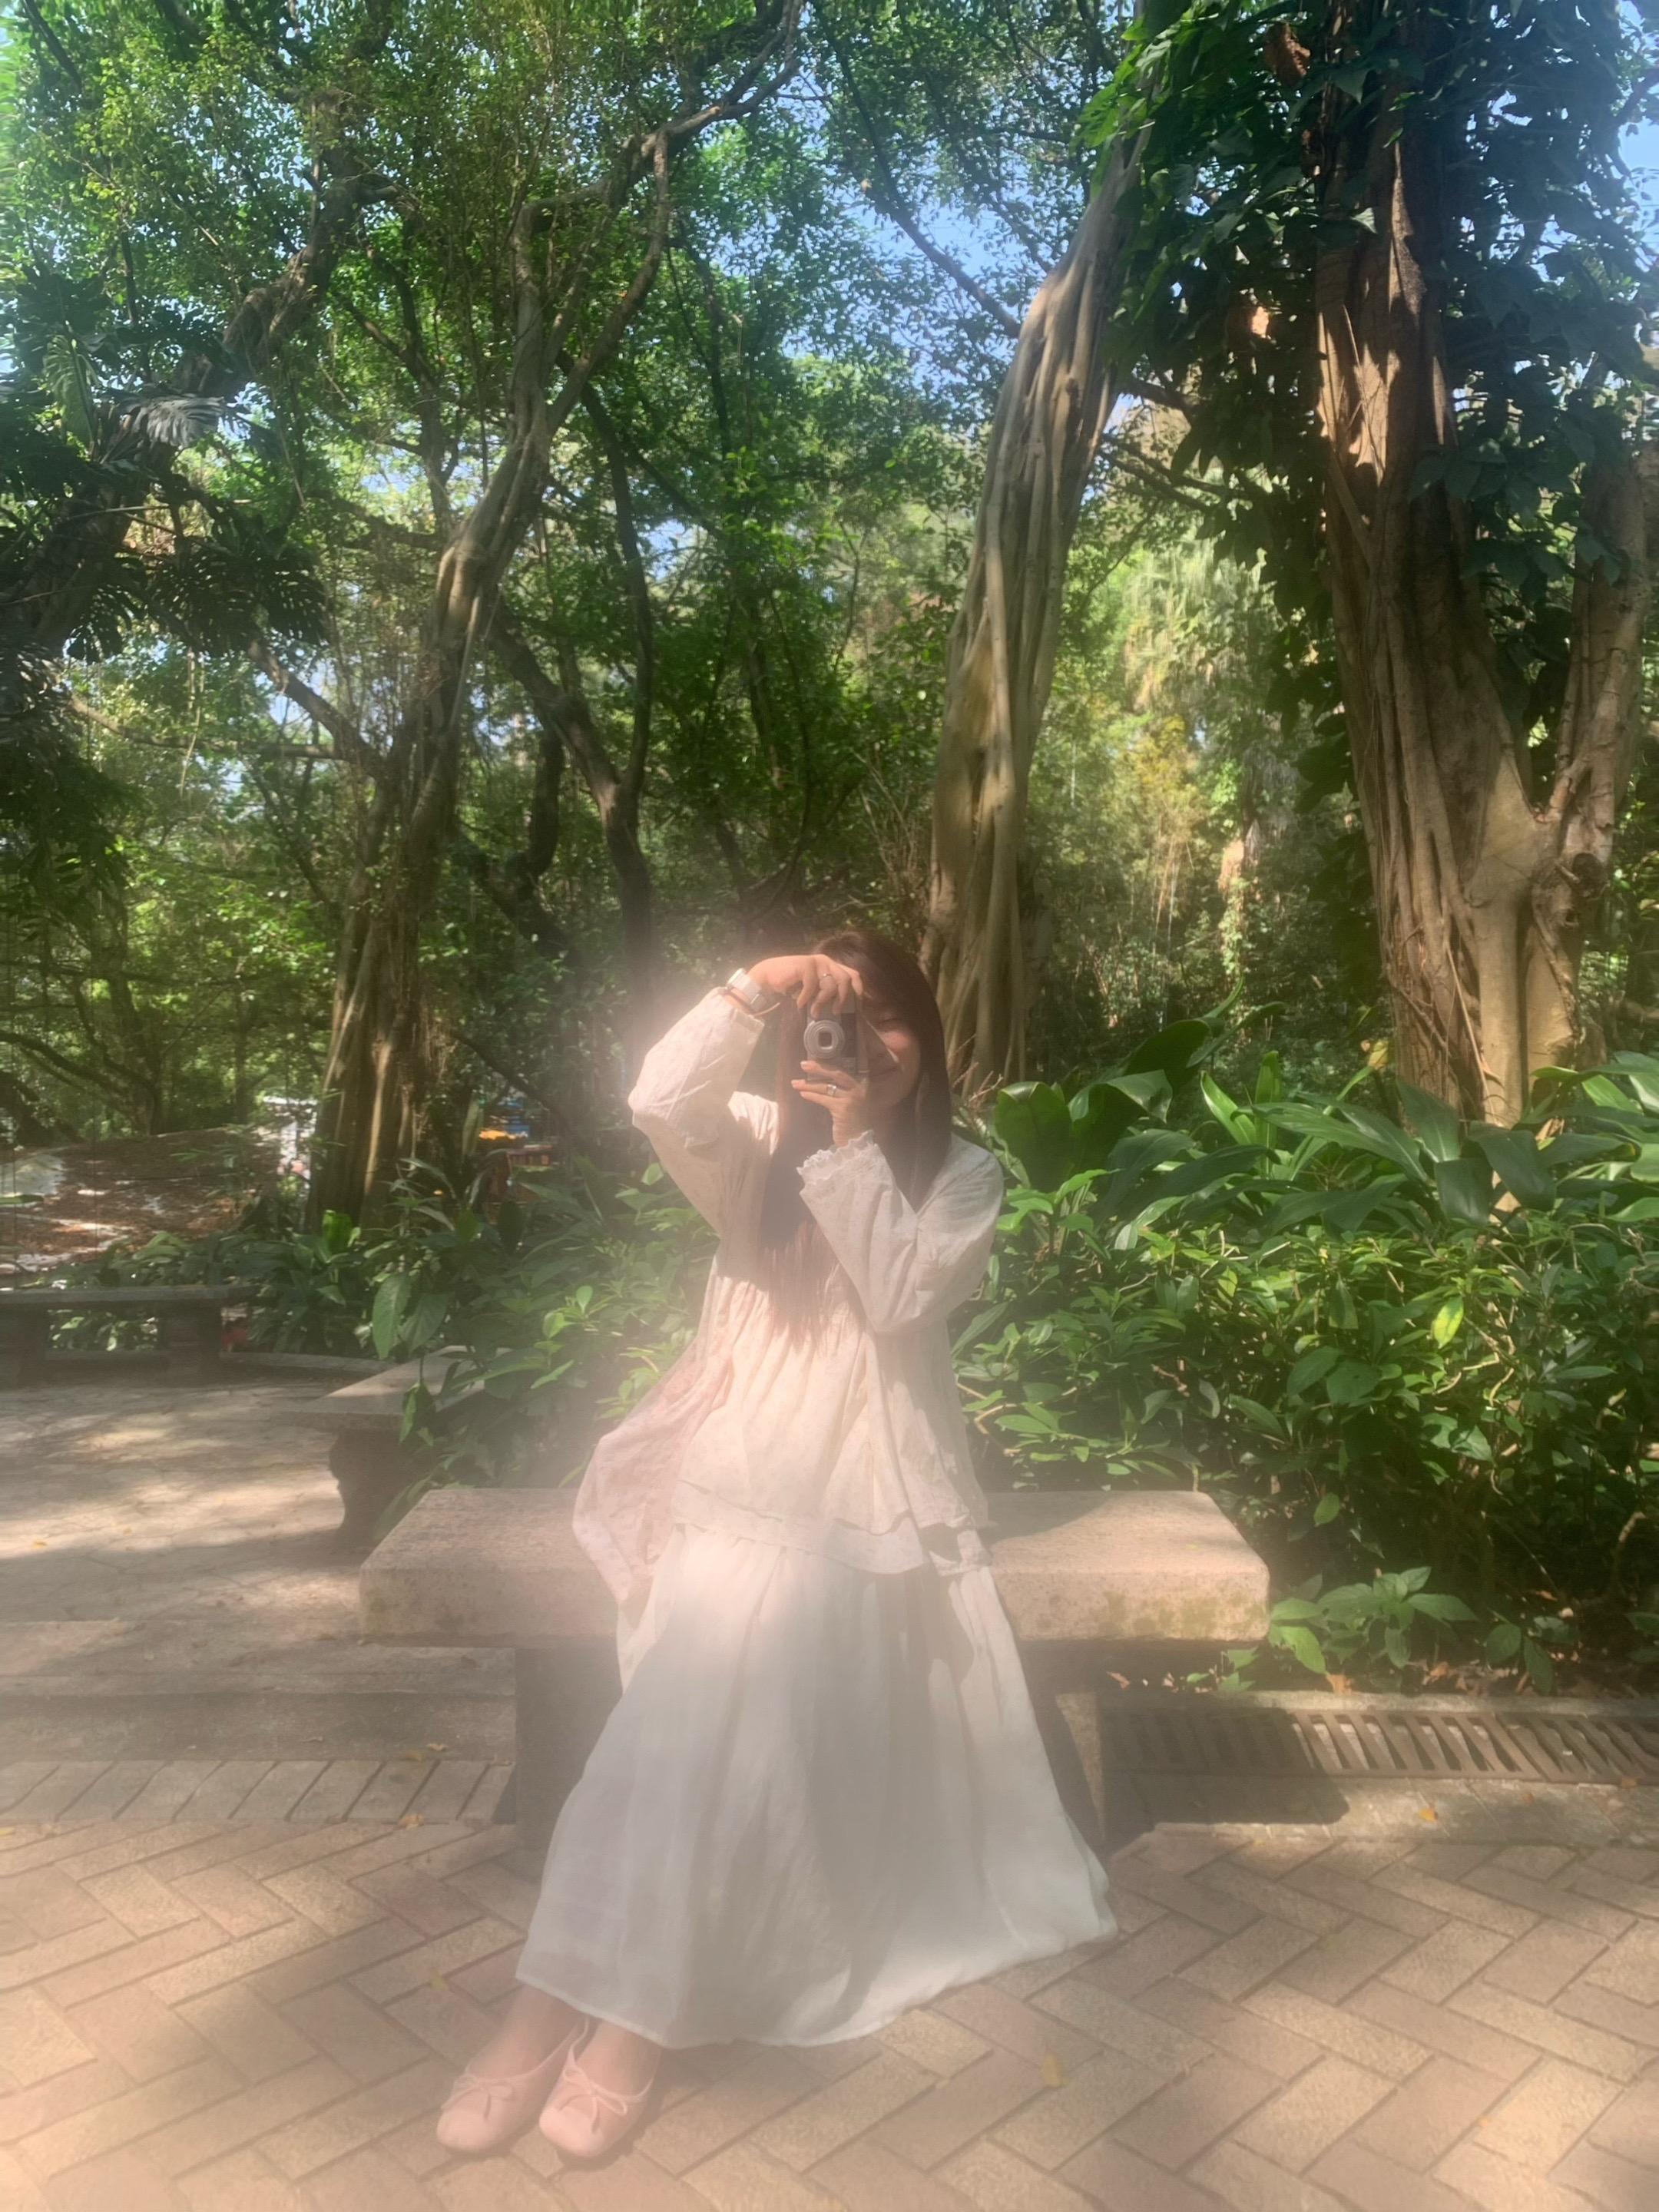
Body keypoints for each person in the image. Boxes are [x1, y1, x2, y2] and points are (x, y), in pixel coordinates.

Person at [435, 928, 1117, 2161]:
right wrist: (763, 981)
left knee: (705, 1739)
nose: (869, 1042)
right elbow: (657, 1095)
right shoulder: (751, 1142)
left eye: (891, 1016)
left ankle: (615, 2019)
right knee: (679, 1736)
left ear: (928, 1036)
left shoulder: (961, 1177)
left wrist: (852, 1142)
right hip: (734, 1486)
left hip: (866, 1510)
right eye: (843, 1017)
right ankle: (553, 2005)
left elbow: (899, 1297)